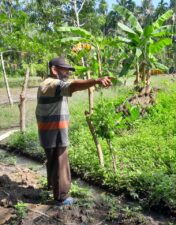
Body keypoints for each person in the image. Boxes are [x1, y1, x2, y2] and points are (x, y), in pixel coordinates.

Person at [35, 57, 112, 205]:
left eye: (69, 70)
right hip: (54, 131)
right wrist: (96, 80)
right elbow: (74, 85)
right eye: (65, 70)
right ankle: (61, 197)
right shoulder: (51, 84)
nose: (68, 73)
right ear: (54, 70)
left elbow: (72, 83)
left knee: (54, 162)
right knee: (61, 163)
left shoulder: (50, 84)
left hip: (49, 130)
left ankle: (53, 189)